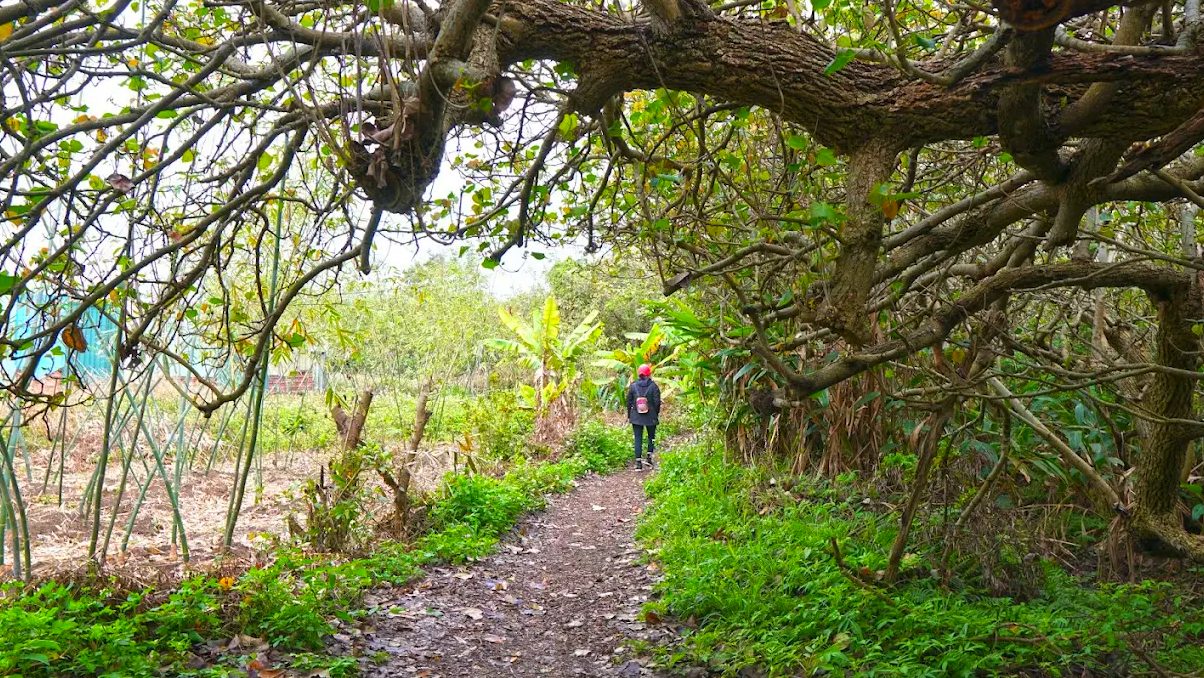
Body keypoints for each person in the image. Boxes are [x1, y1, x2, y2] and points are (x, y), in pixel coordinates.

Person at [626, 363, 661, 470]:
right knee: (651, 437)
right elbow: (657, 402)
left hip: (636, 416)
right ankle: (649, 458)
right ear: (649, 374)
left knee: (638, 438)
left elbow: (629, 402)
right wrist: (655, 414)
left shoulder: (633, 386)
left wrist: (629, 415)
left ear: (639, 374)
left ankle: (638, 463)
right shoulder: (654, 386)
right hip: (651, 416)